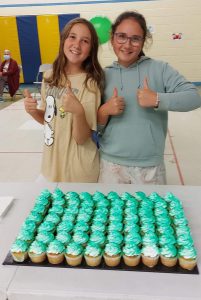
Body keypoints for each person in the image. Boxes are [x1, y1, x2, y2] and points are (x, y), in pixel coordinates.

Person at [97, 11, 201, 185]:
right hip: (110, 165)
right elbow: (96, 127)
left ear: (144, 41)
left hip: (149, 167)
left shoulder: (160, 69)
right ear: (112, 38)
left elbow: (194, 97)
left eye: (135, 38)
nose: (127, 45)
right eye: (121, 36)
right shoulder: (102, 75)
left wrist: (157, 99)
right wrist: (104, 110)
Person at [24, 18, 104, 182]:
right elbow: (49, 119)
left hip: (78, 171)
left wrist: (78, 112)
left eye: (85, 41)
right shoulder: (50, 76)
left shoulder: (90, 83)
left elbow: (82, 138)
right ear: (63, 40)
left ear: (91, 49)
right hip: (51, 166)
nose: (77, 44)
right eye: (72, 37)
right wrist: (33, 112)